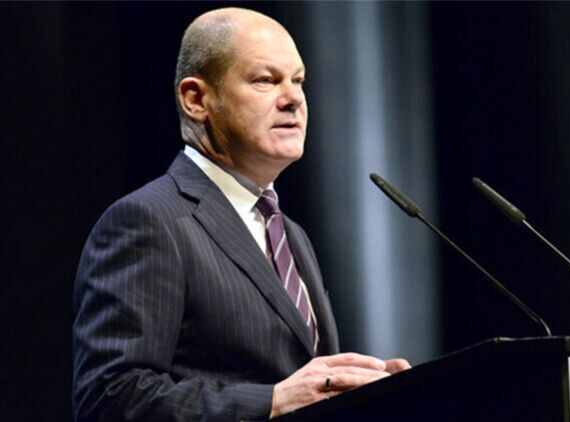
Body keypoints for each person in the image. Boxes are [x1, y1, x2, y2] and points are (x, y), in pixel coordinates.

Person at [72, 8, 409, 421]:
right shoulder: (148, 221)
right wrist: (272, 401)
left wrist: (367, 391)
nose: (293, 98)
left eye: (299, 80)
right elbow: (110, 397)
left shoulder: (290, 234)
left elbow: (304, 387)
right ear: (196, 99)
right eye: (266, 80)